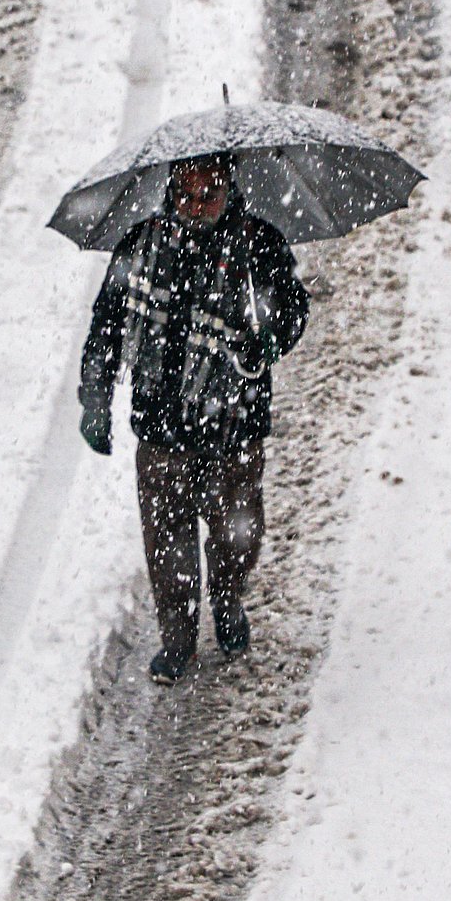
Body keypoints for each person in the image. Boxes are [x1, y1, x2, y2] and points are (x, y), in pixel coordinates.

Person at [78, 151, 309, 684]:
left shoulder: (258, 244)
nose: (196, 204)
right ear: (169, 190)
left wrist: (266, 339)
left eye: (209, 193)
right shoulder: (140, 245)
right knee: (166, 541)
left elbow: (292, 307)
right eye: (186, 192)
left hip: (234, 425)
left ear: (230, 190)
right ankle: (177, 638)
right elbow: (106, 325)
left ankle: (227, 600)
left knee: (236, 535)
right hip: (161, 426)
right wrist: (94, 397)